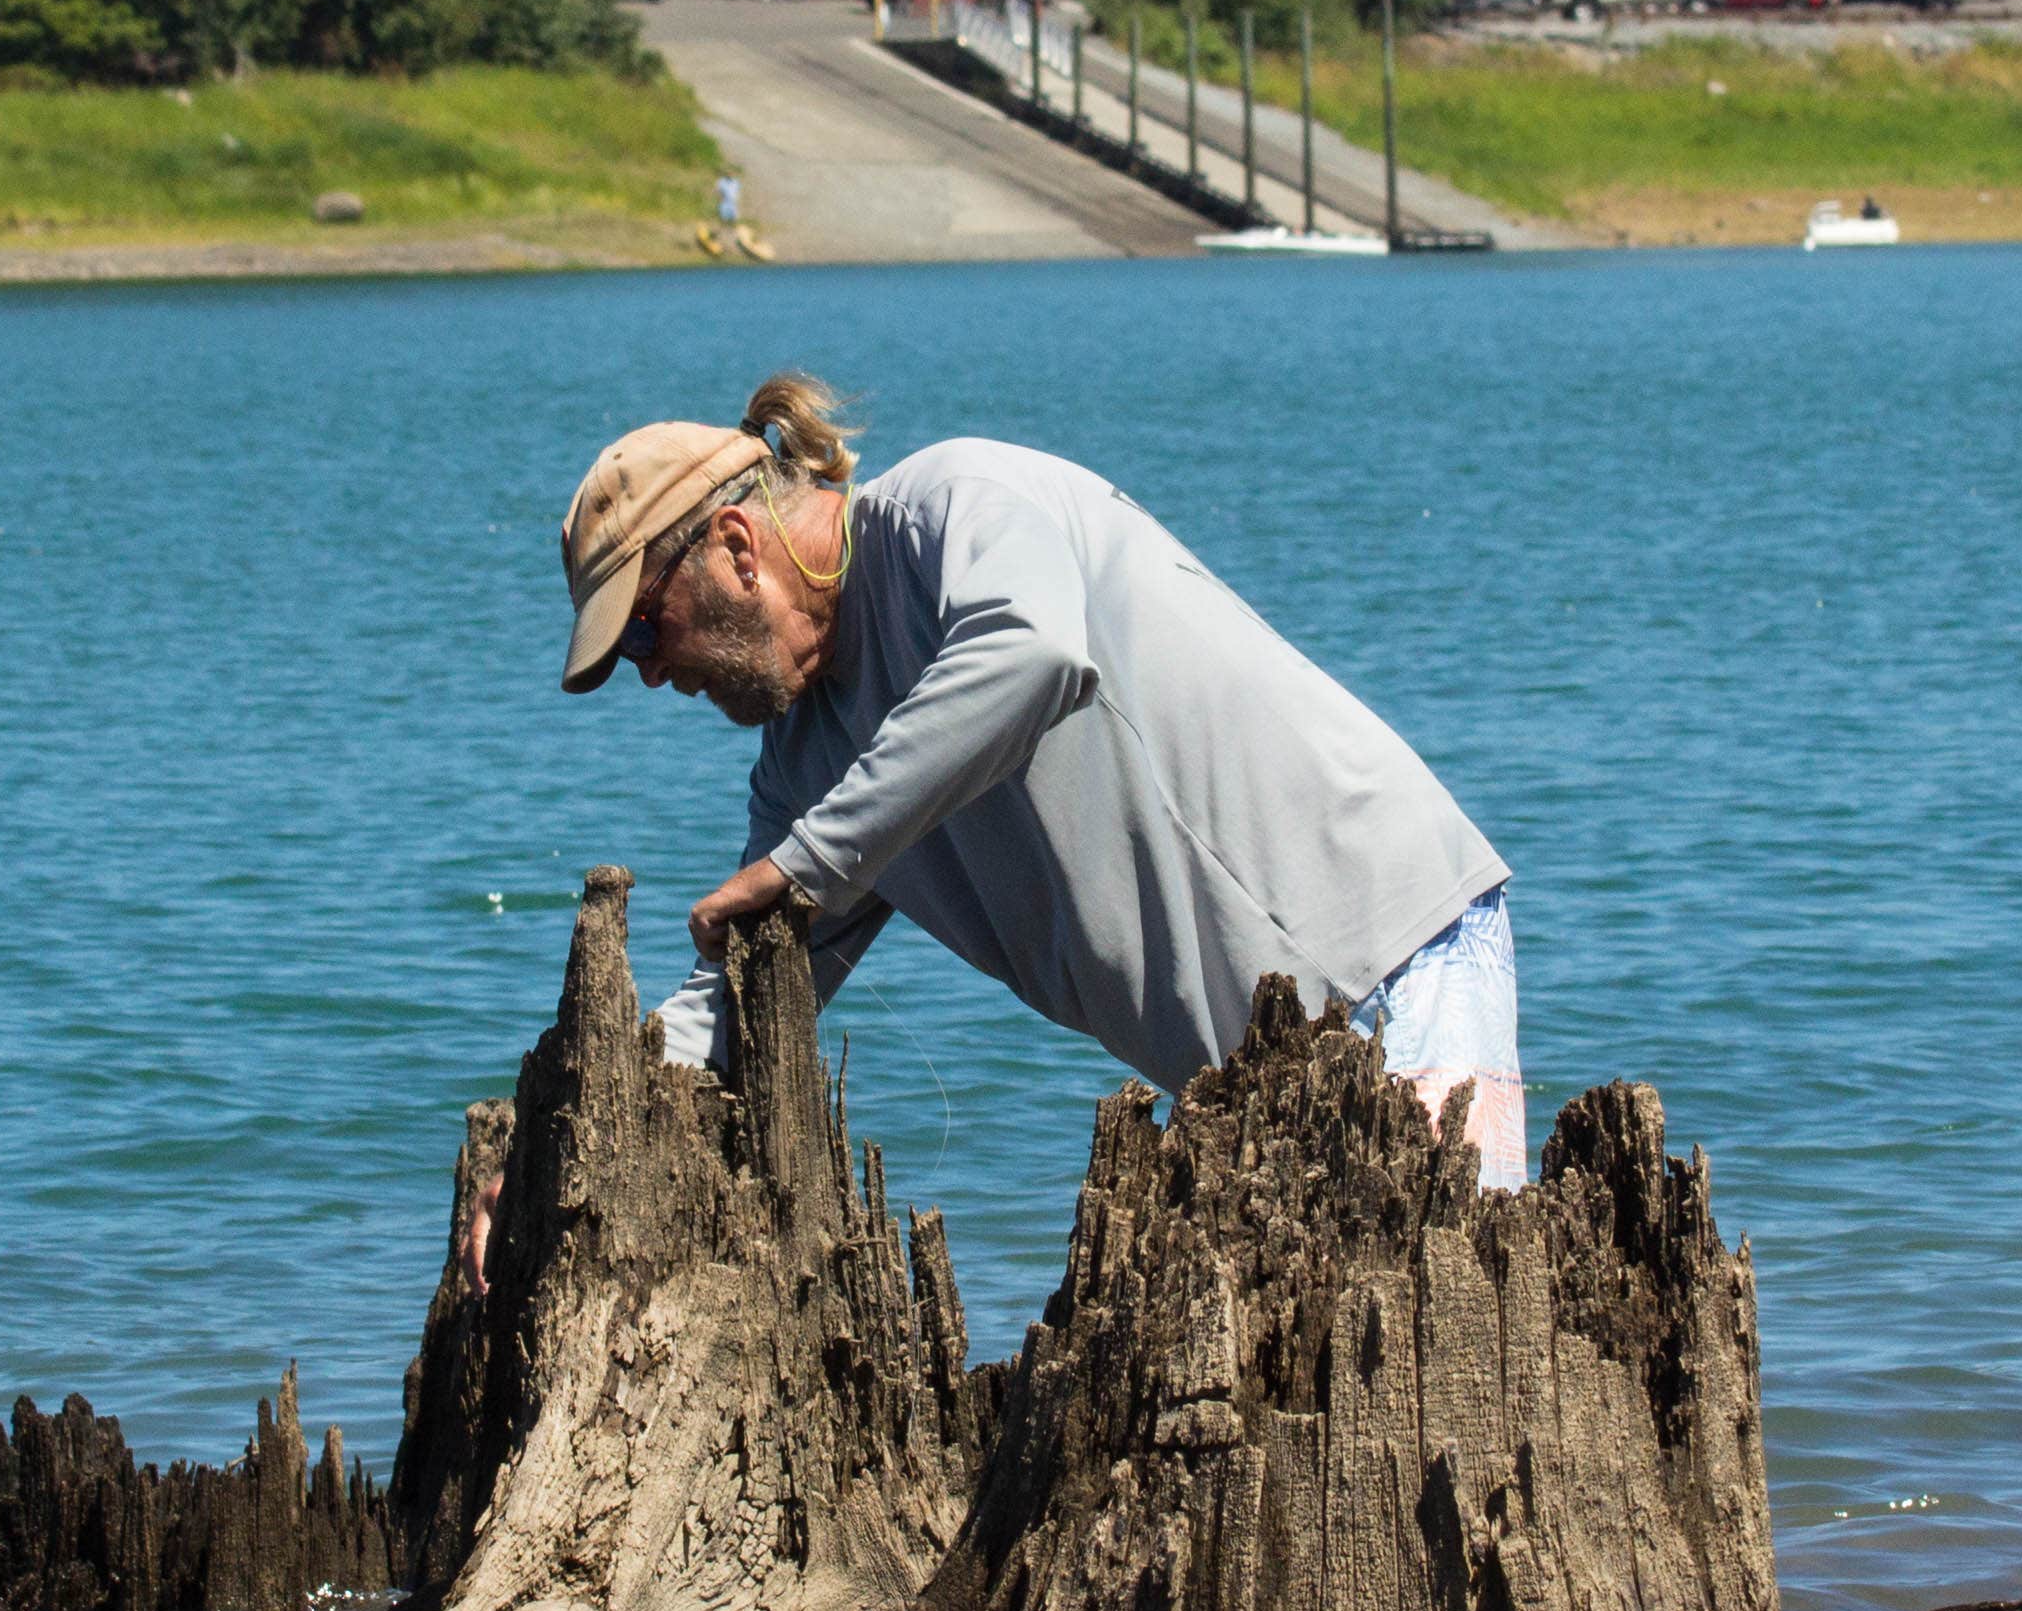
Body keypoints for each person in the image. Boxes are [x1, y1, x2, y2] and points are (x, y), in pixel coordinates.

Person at [547, 370, 1523, 1195]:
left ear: (732, 545)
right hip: (1250, 1077)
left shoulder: (951, 502)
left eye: (642, 627)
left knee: (1438, 1349)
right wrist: (566, 1159)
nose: (649, 671)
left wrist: (806, 867)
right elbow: (737, 992)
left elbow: (1032, 656)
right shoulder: (804, 765)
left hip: (1389, 955)